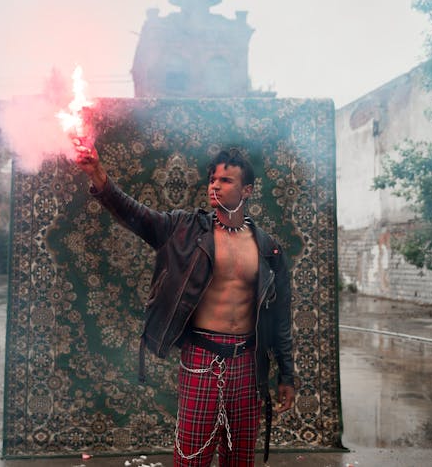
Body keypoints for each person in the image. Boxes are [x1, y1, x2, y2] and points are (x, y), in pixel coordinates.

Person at [74, 144, 295, 466]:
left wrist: (287, 376)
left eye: (226, 181)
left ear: (247, 190)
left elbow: (281, 318)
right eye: (212, 179)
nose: (215, 185)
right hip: (202, 356)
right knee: (191, 457)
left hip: (248, 362)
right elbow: (134, 213)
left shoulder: (268, 248)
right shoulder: (183, 229)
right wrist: (97, 173)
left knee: (240, 459)